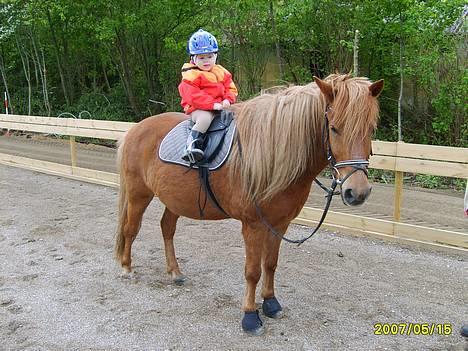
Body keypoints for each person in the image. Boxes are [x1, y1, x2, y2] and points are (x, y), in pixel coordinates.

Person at [178, 29, 238, 162]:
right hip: (198, 108)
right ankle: (191, 145)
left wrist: (228, 99)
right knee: (205, 118)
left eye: (210, 56)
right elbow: (193, 96)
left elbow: (231, 87)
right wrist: (212, 104)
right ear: (193, 59)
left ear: (215, 56)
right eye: (201, 58)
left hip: (220, 106)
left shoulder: (221, 72)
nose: (206, 61)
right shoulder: (191, 75)